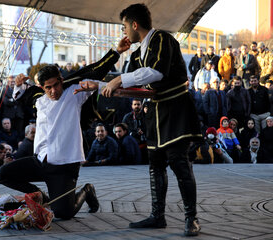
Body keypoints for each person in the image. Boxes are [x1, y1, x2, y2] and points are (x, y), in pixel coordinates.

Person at [75, 3, 202, 236]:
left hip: (174, 108)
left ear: (134, 24)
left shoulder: (162, 39)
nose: (124, 31)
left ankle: (191, 218)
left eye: (124, 26)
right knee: (155, 164)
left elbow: (155, 72)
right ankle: (157, 215)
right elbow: (128, 84)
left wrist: (118, 80)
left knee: (179, 162)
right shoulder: (136, 53)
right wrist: (99, 85)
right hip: (154, 111)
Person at [0, 48, 123, 220]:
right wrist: (18, 83)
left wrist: (116, 52)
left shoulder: (75, 93)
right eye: (48, 87)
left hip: (64, 166)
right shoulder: (38, 98)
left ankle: (87, 190)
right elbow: (21, 95)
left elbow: (95, 70)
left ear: (61, 80)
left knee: (64, 214)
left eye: (56, 85)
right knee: (2, 174)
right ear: (42, 87)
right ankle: (43, 197)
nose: (54, 91)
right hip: (40, 161)